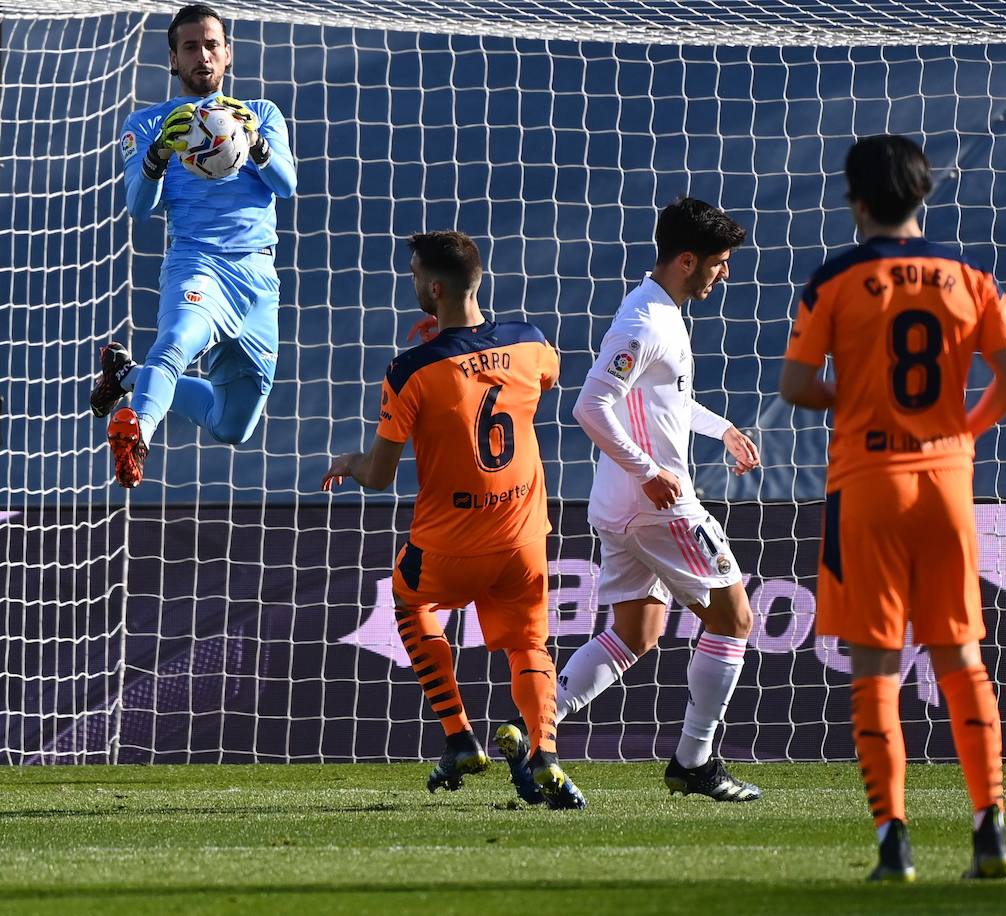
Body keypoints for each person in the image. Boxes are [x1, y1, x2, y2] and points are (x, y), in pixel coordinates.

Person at [779, 135, 1006, 882]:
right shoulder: (970, 276)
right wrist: (958, 432)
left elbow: (796, 385)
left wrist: (850, 402)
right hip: (947, 481)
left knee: (877, 667)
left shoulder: (834, 279)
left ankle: (895, 841)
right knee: (960, 657)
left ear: (857, 203)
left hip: (870, 479)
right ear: (924, 196)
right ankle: (991, 829)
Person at [511, 197, 763, 802]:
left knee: (635, 631)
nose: (722, 273)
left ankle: (530, 734)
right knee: (735, 619)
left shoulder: (657, 310)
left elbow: (661, 403)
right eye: (718, 262)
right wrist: (650, 470)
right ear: (685, 260)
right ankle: (694, 762)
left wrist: (721, 428)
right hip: (656, 506)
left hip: (618, 506)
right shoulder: (646, 321)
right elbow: (588, 406)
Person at [321, 230, 584, 810]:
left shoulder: (410, 370)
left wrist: (349, 465)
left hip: (448, 547)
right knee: (530, 646)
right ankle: (545, 754)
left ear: (433, 288)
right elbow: (547, 379)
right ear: (479, 279)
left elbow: (382, 473)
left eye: (416, 275)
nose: (413, 283)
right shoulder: (532, 342)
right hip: (520, 538)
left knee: (410, 605)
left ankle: (459, 737)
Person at [92, 3, 296, 487]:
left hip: (258, 279)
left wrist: (257, 144)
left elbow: (286, 185)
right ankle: (137, 431)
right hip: (197, 263)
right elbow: (139, 207)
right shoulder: (147, 125)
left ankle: (125, 377)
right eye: (190, 47)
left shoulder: (261, 114)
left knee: (233, 427)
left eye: (211, 45)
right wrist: (159, 154)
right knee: (177, 341)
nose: (201, 55)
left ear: (228, 55)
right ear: (173, 60)